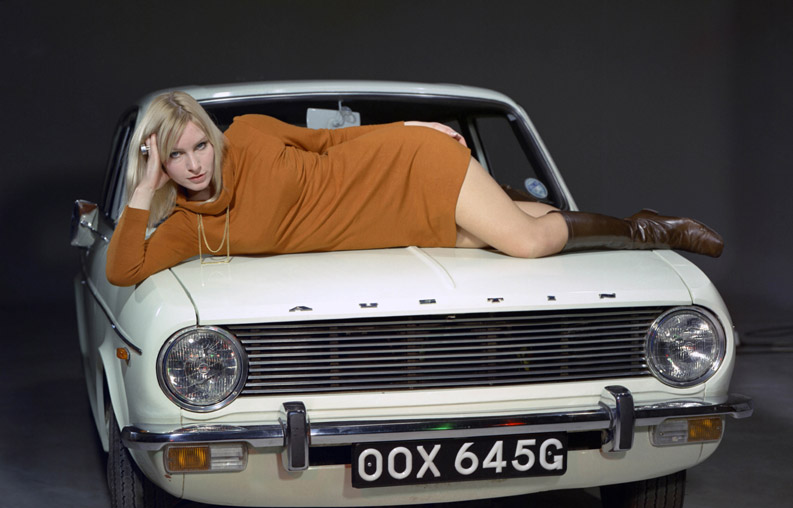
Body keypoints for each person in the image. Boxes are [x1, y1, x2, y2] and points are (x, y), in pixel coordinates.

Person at [106, 91, 723, 287]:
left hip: (404, 167)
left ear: (213, 136)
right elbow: (123, 269)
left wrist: (408, 128)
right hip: (395, 224)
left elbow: (333, 145)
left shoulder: (252, 134)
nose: (193, 164)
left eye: (198, 145)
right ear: (160, 161)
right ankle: (619, 221)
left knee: (529, 243)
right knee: (502, 231)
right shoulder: (190, 229)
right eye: (175, 156)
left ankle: (651, 229)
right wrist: (143, 185)